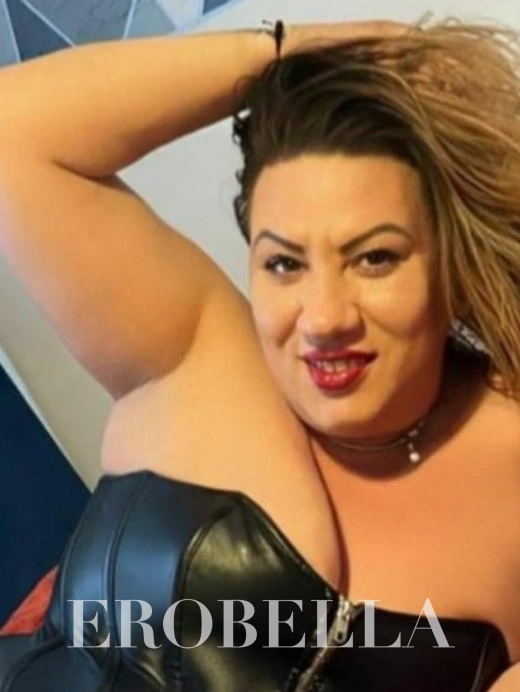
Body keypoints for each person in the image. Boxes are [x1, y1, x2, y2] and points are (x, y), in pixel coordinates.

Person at [0, 14, 519, 691]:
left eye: (375, 258)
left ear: (450, 263)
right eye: (283, 263)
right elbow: (15, 131)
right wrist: (277, 51)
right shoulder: (194, 345)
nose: (324, 319)